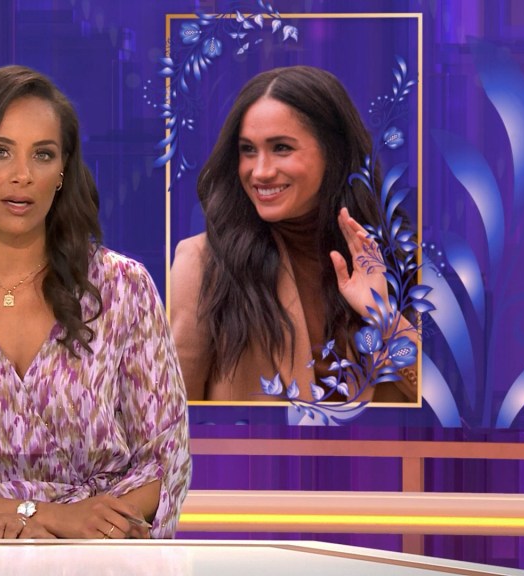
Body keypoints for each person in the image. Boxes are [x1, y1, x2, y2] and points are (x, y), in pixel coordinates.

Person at [0, 65, 190, 539]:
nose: (22, 175)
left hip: (104, 555)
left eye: (43, 155)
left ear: (62, 172)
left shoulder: (124, 288)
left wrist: (94, 530)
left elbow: (165, 461)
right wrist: (48, 517)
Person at [171, 65, 418, 403]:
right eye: (248, 150)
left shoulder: (399, 257)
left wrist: (382, 315)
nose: (260, 171)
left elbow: (447, 411)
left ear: (333, 151)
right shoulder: (203, 265)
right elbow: (171, 417)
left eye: (281, 148)